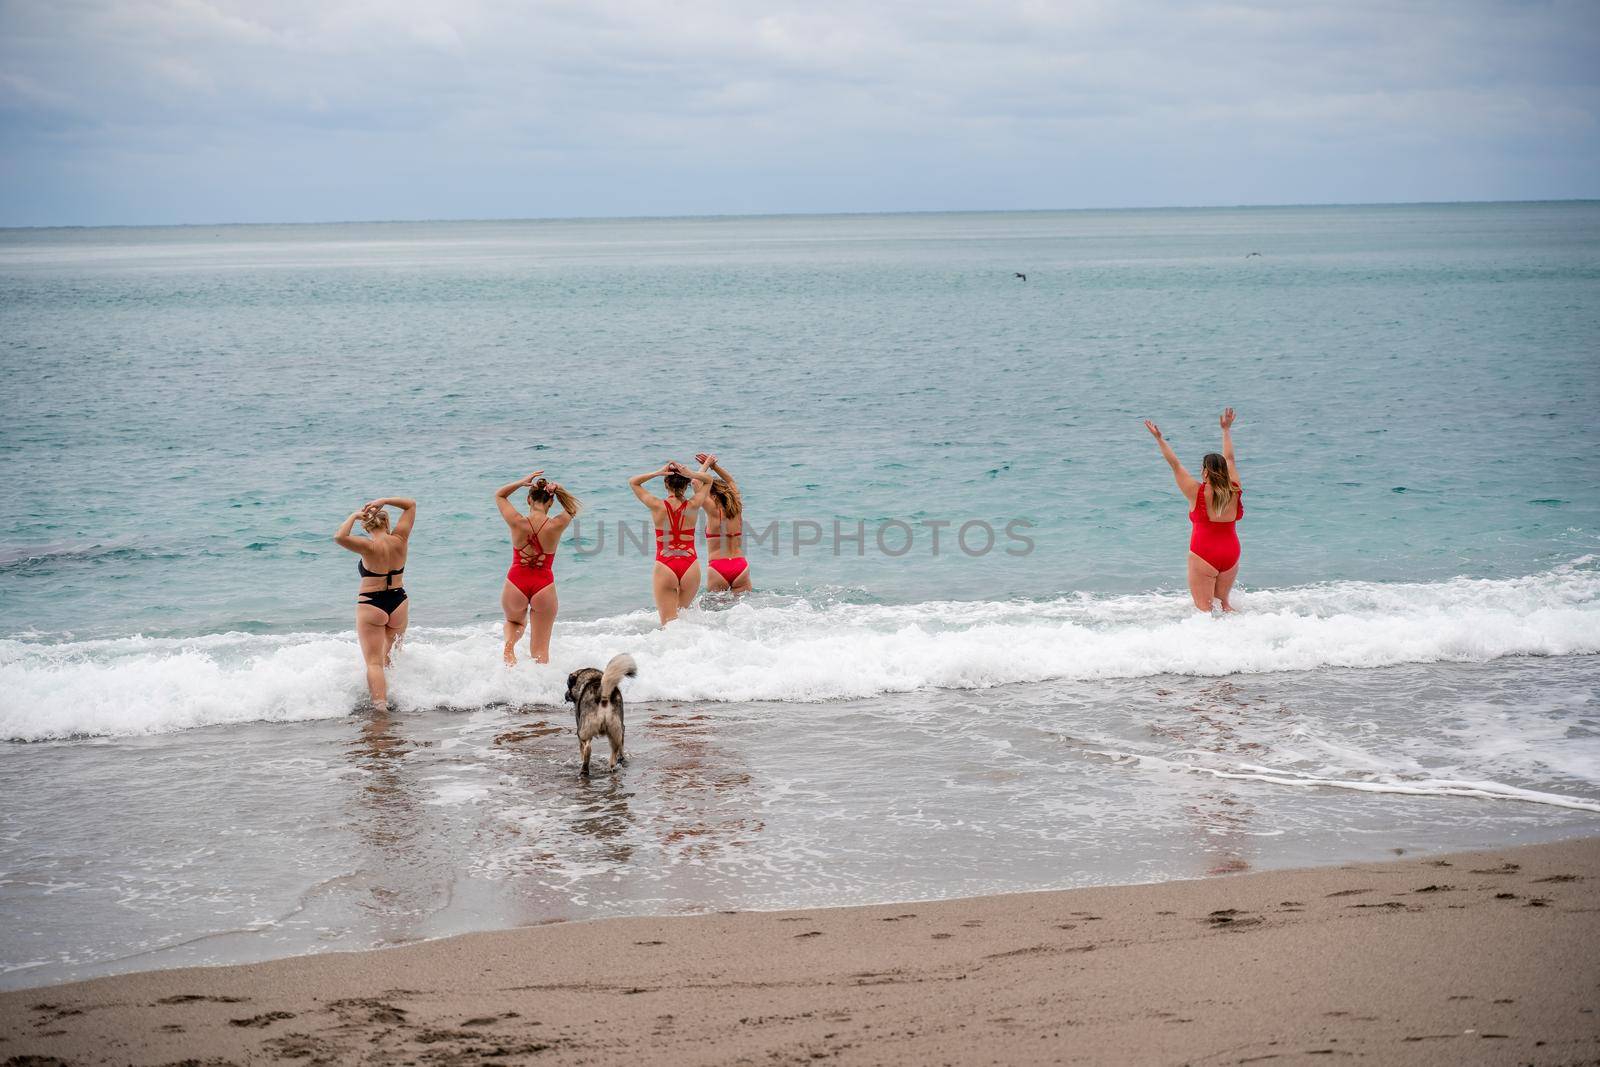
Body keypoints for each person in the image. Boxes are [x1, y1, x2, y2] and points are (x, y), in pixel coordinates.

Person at [1145, 408, 1243, 612]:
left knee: (1204, 611)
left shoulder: (1195, 492)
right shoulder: (1234, 489)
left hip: (1204, 554)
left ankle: (1210, 642)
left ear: (1205, 471)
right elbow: (1230, 459)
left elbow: (1175, 464)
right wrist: (1226, 430)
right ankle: (1243, 636)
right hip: (1231, 553)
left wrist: (1159, 439)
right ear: (1224, 471)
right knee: (1224, 605)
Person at [334, 496, 417, 709]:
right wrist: (384, 500)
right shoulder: (401, 539)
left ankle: (380, 708)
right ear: (388, 523)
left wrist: (353, 516)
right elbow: (410, 504)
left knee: (374, 663)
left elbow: (340, 537)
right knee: (390, 656)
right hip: (399, 601)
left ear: (366, 525)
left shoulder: (367, 546)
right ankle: (403, 698)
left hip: (372, 604)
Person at [495, 469, 581, 665]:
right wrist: (559, 491)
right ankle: (540, 692)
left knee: (515, 622)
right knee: (540, 650)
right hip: (544, 585)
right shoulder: (557, 524)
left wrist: (521, 482)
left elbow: (499, 495)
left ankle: (509, 646)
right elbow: (572, 508)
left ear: (528, 500)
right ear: (550, 502)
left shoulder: (517, 522)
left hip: (516, 581)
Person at [629, 460, 714, 624]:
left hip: (665, 564)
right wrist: (691, 474)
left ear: (666, 483)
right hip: (690, 565)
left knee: (668, 625)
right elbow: (709, 480)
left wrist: (657, 472)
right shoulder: (694, 504)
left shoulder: (657, 505)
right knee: (682, 621)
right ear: (687, 484)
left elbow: (633, 482)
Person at [697, 452, 752, 594]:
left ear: (713, 495)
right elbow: (731, 481)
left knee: (714, 612)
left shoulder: (713, 511)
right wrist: (715, 467)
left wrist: (706, 465)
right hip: (740, 566)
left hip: (718, 567)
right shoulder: (737, 508)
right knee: (745, 612)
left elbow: (695, 482)